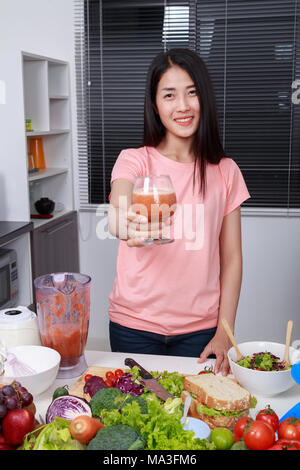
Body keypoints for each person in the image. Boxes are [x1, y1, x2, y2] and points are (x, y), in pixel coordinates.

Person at [107, 48, 250, 375]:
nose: (183, 106)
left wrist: (224, 332)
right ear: (155, 105)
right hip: (134, 326)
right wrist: (124, 225)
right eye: (169, 95)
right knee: (138, 420)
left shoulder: (225, 171)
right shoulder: (135, 159)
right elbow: (118, 208)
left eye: (192, 93)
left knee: (197, 420)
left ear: (205, 98)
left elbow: (232, 259)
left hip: (201, 330)